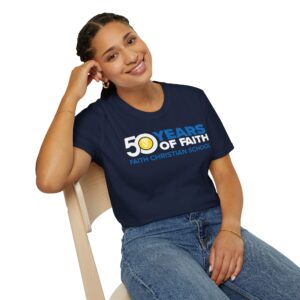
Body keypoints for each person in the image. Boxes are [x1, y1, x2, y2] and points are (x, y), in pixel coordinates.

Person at [35, 12, 300, 300]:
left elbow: (225, 176)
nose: (131, 56)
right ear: (100, 74)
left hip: (217, 226)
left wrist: (231, 231)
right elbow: (49, 180)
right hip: (152, 243)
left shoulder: (193, 99)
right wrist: (71, 96)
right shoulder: (98, 120)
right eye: (112, 56)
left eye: (131, 40)